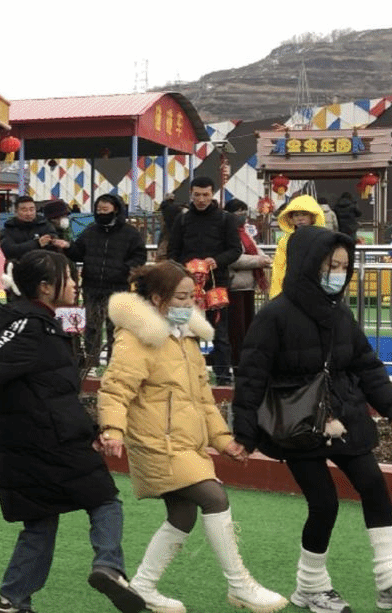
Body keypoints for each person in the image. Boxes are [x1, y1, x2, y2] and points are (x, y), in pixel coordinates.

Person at [0, 250, 145, 613]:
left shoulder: (44, 323)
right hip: (47, 440)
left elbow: (54, 390)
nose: (75, 283)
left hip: (31, 439)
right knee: (104, 499)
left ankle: (13, 600)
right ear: (45, 287)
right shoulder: (29, 326)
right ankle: (109, 565)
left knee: (40, 521)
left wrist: (90, 428)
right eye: (68, 277)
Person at [232, 226, 392, 613]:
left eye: (343, 266)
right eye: (330, 266)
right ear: (308, 265)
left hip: (345, 413)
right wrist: (244, 435)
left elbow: (367, 366)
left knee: (374, 485)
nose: (338, 274)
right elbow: (251, 377)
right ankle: (311, 586)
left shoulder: (339, 312)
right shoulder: (273, 316)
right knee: (324, 502)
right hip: (297, 422)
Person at [98, 263, 287, 613]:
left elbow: (202, 398)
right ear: (158, 299)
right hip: (157, 442)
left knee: (182, 515)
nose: (190, 303)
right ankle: (239, 584)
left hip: (184, 442)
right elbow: (116, 388)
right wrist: (112, 429)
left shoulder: (185, 336)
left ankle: (143, 587)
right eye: (181, 297)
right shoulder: (136, 337)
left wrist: (223, 440)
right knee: (214, 497)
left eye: (191, 296)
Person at [167, 176, 242, 384]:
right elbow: (172, 251)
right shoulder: (182, 220)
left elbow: (235, 250)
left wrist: (216, 261)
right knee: (186, 331)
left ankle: (223, 378)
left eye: (206, 195)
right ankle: (187, 377)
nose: (201, 199)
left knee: (220, 333)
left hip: (216, 285)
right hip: (187, 287)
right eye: (197, 195)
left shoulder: (226, 219)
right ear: (191, 194)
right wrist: (184, 267)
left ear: (212, 194)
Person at [66, 194, 146, 368]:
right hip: (92, 286)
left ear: (115, 209)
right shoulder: (90, 231)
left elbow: (140, 256)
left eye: (105, 209)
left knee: (115, 329)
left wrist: (124, 269)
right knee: (92, 327)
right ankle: (91, 365)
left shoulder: (130, 233)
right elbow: (78, 253)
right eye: (99, 209)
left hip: (118, 288)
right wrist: (68, 247)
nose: (102, 213)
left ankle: (114, 365)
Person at [223, 199, 271, 370]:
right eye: (238, 213)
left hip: (248, 285)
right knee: (236, 330)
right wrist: (258, 261)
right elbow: (233, 258)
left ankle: (246, 362)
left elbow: (255, 250)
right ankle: (237, 364)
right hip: (234, 286)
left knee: (248, 328)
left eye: (244, 213)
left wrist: (264, 258)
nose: (242, 216)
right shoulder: (225, 233)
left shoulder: (244, 232)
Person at [269, 194, 326, 298]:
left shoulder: (323, 239)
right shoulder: (285, 240)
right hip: (291, 291)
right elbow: (279, 268)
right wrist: (276, 294)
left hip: (316, 292)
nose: (300, 218)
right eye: (296, 215)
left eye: (304, 214)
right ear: (291, 218)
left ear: (312, 216)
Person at [0, 195, 64, 264]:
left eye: (31, 209)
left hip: (44, 266)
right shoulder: (8, 229)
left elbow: (55, 246)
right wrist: (37, 243)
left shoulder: (45, 225)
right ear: (16, 211)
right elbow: (10, 251)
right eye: (24, 210)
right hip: (19, 266)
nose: (28, 213)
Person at [155, 194, 183, 261]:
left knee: (163, 243)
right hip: (174, 230)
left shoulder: (163, 208)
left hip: (166, 229)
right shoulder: (176, 208)